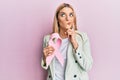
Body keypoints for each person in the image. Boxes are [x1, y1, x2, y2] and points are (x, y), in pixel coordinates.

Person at [41, 3, 93, 80]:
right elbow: (48, 67)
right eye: (63, 15)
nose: (68, 19)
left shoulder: (82, 37)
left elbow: (88, 66)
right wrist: (45, 58)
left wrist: (75, 44)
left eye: (71, 15)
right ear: (57, 19)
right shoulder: (49, 39)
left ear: (74, 18)